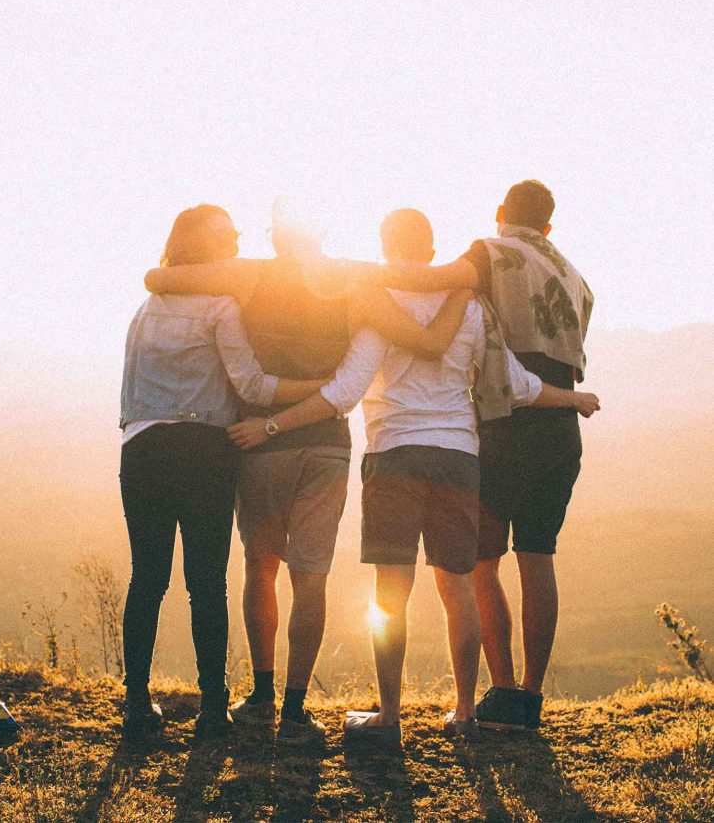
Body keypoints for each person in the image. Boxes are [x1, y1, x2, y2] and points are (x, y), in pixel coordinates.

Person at [227, 207, 600, 744]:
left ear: (384, 246)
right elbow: (516, 384)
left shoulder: (378, 304)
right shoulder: (470, 306)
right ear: (431, 251)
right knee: (458, 588)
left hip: (394, 455)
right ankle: (466, 712)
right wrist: (574, 398)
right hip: (458, 458)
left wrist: (272, 424)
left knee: (391, 593)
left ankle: (389, 717)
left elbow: (344, 392)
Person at [143, 205, 472, 745]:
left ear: (276, 237)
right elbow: (419, 308)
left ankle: (262, 695)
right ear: (321, 232)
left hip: (260, 444)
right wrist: (464, 281)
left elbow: (160, 277)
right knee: (311, 575)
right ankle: (296, 712)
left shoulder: (250, 273)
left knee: (261, 565)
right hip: (326, 444)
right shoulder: (351, 277)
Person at [358, 181, 596, 730]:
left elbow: (432, 280)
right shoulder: (577, 277)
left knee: (478, 565)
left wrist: (353, 276)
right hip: (558, 425)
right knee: (538, 557)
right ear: (549, 226)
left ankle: (500, 692)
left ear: (499, 214)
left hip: (504, 422)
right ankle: (528, 699)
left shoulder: (490, 253)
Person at [119, 204, 334, 738]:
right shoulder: (220, 306)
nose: (238, 244)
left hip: (141, 447)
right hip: (204, 452)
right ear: (211, 247)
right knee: (206, 583)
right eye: (231, 236)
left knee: (147, 577)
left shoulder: (147, 308)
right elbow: (253, 387)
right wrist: (322, 389)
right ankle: (214, 708)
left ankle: (136, 704)